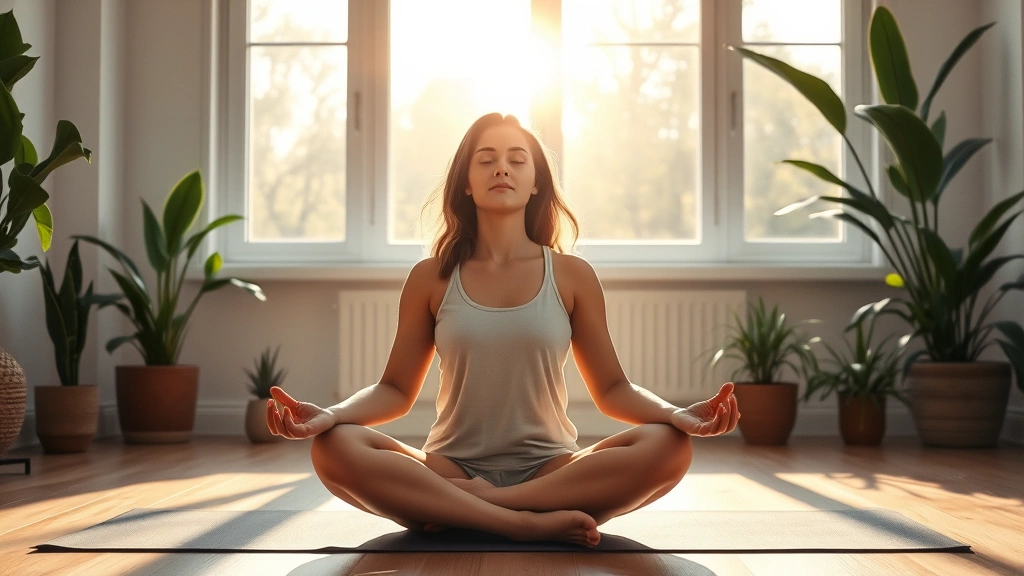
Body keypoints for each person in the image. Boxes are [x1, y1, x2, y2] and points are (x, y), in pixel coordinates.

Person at [266, 113, 740, 548]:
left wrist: (676, 415)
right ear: (466, 184)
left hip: (550, 468)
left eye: (517, 160)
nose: (502, 169)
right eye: (486, 160)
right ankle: (524, 523)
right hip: (451, 467)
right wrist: (330, 415)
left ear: (536, 183)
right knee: (333, 447)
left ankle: (471, 511)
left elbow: (613, 388)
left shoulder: (572, 275)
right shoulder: (430, 277)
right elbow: (394, 389)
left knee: (670, 447)